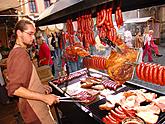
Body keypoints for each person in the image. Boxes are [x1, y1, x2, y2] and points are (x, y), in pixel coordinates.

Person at [7, 20, 60, 124]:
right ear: (19, 33)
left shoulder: (21, 52)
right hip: (34, 110)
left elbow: (26, 80)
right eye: (30, 34)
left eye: (34, 34)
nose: (33, 37)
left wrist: (39, 87)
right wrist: (44, 97)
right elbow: (14, 89)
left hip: (35, 107)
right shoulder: (19, 54)